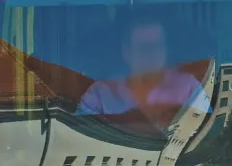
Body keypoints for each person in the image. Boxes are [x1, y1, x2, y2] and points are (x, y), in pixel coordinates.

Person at [79, 14, 207, 120]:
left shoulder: (189, 88)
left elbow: (207, 134)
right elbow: (82, 137)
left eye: (157, 46)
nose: (152, 53)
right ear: (126, 51)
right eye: (144, 47)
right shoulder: (101, 93)